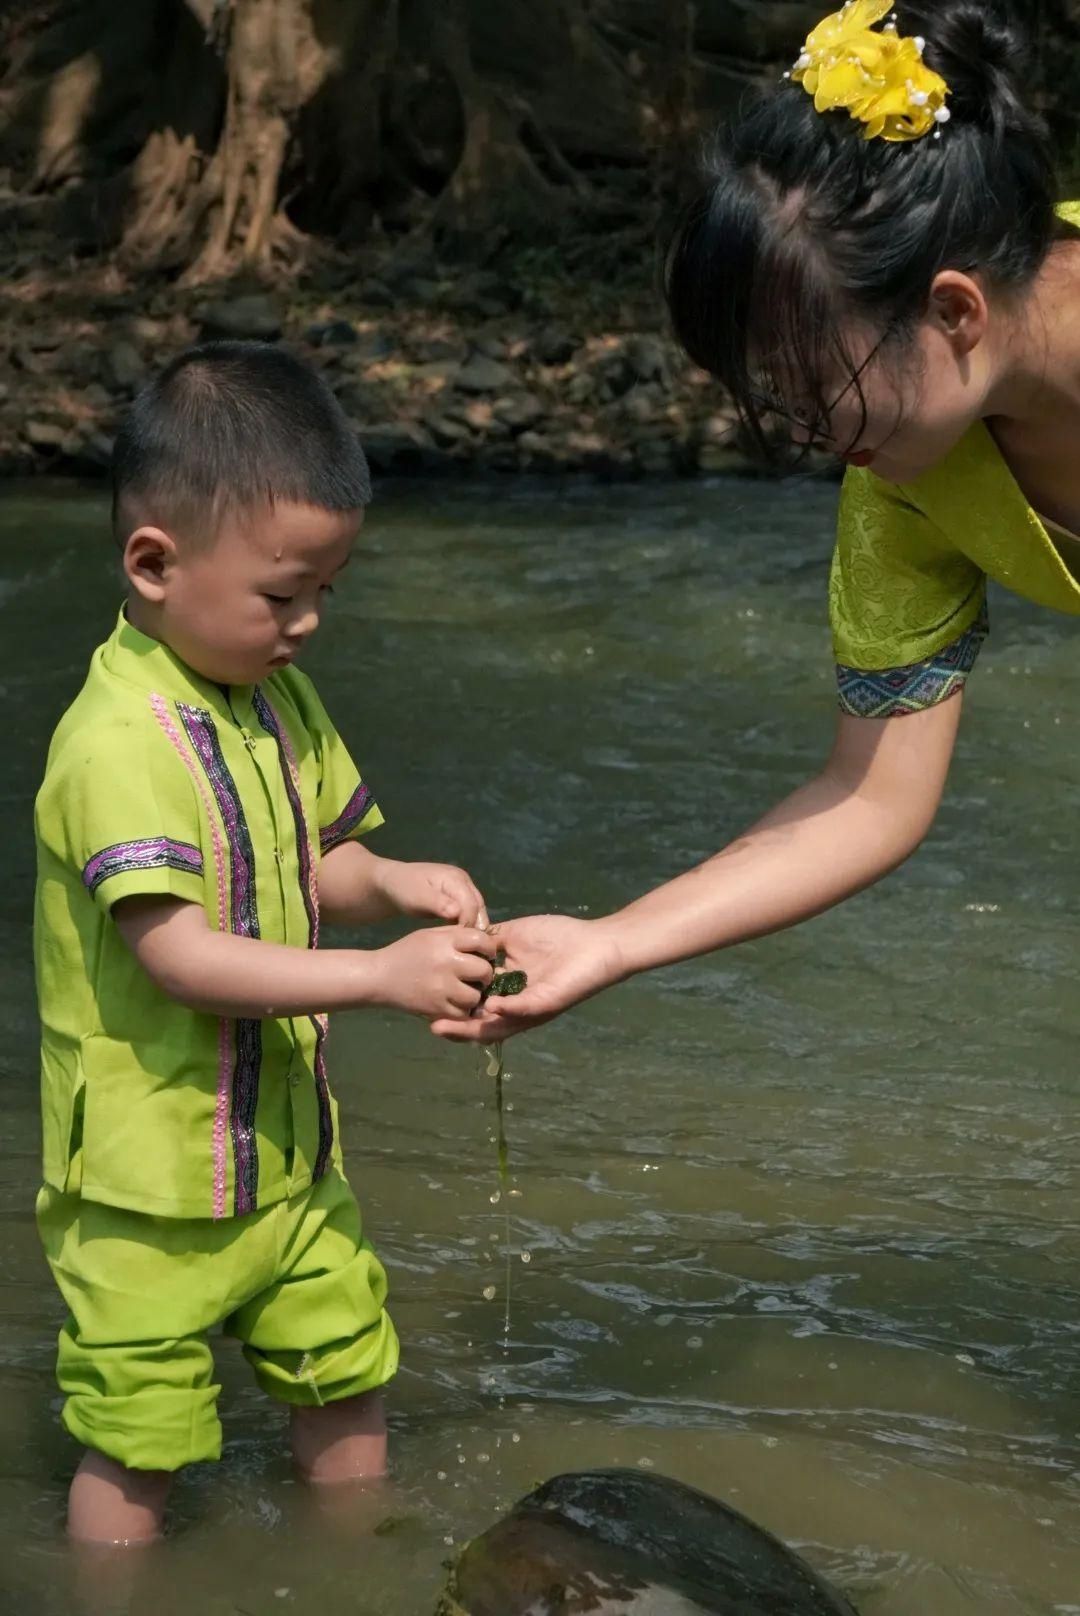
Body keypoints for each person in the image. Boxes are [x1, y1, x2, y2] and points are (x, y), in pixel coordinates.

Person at [436, 0, 1080, 1045]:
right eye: (772, 389)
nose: (806, 430)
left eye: (818, 383)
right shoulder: (909, 479)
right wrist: (616, 938)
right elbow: (871, 795)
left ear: (956, 312)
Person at [34, 341, 497, 1545]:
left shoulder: (275, 697)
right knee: (137, 1438)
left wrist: (394, 882)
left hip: (288, 1157)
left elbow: (318, 862)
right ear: (154, 563)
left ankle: (357, 1567)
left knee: (350, 1367)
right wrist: (380, 977)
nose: (306, 623)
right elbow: (178, 954)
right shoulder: (114, 741)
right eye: (281, 593)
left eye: (326, 594)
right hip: (146, 1185)